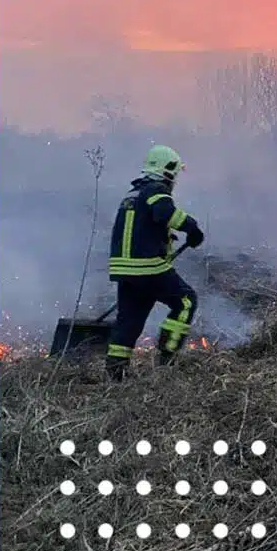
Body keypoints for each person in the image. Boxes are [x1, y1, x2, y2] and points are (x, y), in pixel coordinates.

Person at [102, 145, 204, 382]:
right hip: (148, 267)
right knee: (186, 301)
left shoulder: (132, 194)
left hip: (123, 271)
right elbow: (165, 213)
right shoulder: (157, 190)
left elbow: (144, 226)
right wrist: (192, 227)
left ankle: (115, 375)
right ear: (167, 171)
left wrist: (165, 237)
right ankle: (167, 357)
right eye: (175, 173)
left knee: (129, 321)